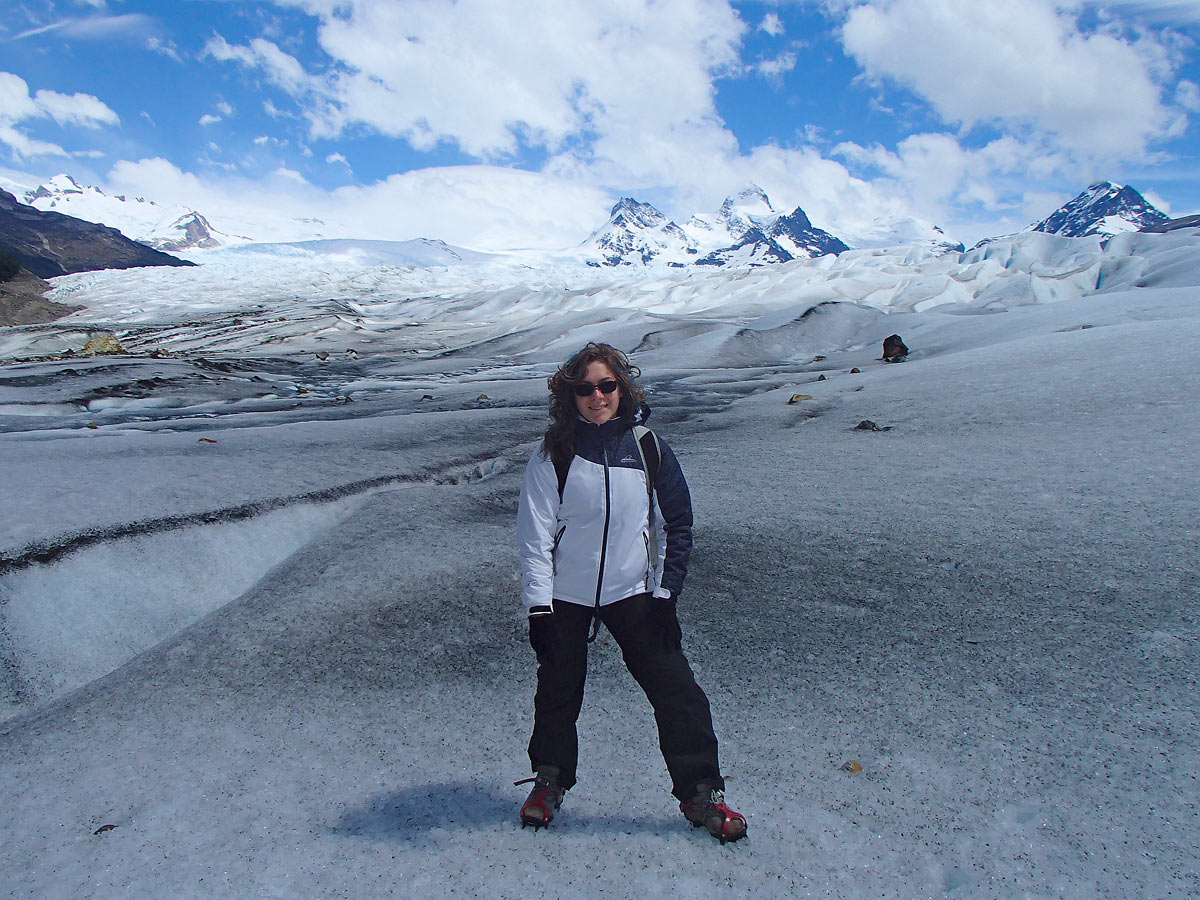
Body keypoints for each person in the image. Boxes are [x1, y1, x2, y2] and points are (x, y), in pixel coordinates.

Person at [514, 342, 746, 843]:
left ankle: (701, 791)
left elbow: (677, 524)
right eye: (585, 388)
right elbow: (533, 537)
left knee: (677, 691)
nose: (597, 396)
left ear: (622, 386)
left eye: (607, 385)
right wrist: (540, 608)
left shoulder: (647, 447)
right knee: (557, 691)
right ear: (570, 394)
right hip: (567, 596)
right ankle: (548, 780)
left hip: (632, 591)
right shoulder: (554, 453)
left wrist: (665, 595)